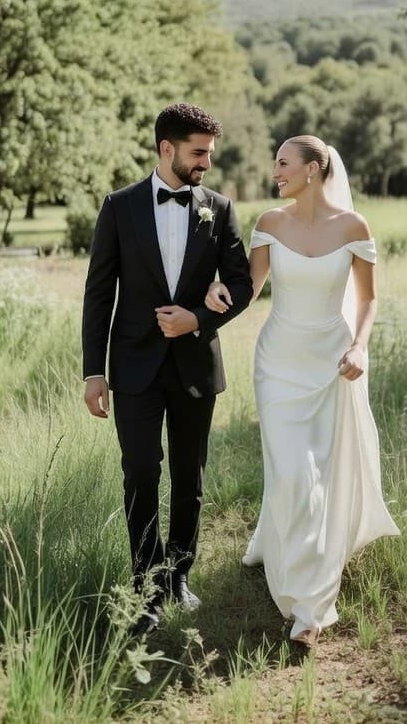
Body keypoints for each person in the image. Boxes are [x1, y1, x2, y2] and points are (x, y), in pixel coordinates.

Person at [205, 135, 400, 647]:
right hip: (278, 363)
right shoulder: (270, 223)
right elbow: (248, 289)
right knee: (292, 472)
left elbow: (368, 299)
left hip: (331, 362)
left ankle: (310, 610)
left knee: (319, 474)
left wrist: (359, 347)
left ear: (313, 169)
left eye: (284, 163)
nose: (276, 172)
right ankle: (296, 578)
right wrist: (215, 291)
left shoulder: (354, 227)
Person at [82, 103, 253, 637]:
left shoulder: (219, 209)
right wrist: (93, 372)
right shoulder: (119, 207)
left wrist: (197, 318)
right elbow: (98, 294)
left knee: (189, 475)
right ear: (166, 148)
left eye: (209, 153)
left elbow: (242, 284)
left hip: (195, 365)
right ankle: (146, 587)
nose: (206, 163)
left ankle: (179, 575)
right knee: (140, 472)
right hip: (133, 366)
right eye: (198, 152)